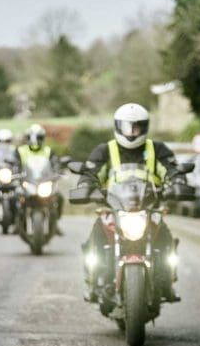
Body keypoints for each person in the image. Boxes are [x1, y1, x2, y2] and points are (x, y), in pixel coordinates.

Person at [77, 103, 186, 301]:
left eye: (137, 127)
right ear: (118, 126)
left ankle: (168, 280)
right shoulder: (105, 150)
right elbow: (90, 173)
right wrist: (86, 186)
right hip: (115, 208)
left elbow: (171, 169)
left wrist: (178, 181)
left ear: (145, 127)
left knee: (166, 238)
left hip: (148, 208)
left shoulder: (157, 149)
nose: (132, 132)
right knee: (96, 235)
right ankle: (94, 280)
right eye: (128, 127)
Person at [16, 124, 64, 233]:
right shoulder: (20, 151)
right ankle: (17, 222)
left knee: (59, 197)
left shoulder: (48, 151)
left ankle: (55, 223)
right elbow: (15, 164)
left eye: (39, 138)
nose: (35, 141)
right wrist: (15, 172)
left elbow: (55, 164)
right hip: (27, 182)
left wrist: (58, 172)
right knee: (15, 196)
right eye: (32, 138)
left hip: (44, 182)